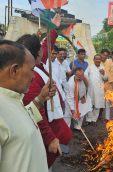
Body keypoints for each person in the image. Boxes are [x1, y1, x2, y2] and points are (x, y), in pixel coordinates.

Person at [17, 33, 72, 168]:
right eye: (41, 47)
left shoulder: (39, 64)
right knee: (42, 164)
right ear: (38, 53)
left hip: (52, 120)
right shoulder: (32, 75)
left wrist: (53, 29)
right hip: (45, 130)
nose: (44, 49)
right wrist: (50, 138)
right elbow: (37, 112)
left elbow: (47, 47)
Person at [0, 40, 55, 172]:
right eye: (31, 70)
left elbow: (22, 117)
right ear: (14, 71)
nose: (34, 77)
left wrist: (41, 98)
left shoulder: (12, 98)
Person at [88, 54, 108, 126]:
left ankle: (94, 120)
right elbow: (85, 77)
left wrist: (103, 74)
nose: (97, 60)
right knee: (90, 105)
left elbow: (106, 79)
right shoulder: (90, 67)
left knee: (97, 105)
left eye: (99, 59)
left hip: (99, 90)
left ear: (100, 60)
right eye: (96, 59)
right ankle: (88, 119)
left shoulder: (103, 67)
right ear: (93, 60)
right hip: (90, 90)